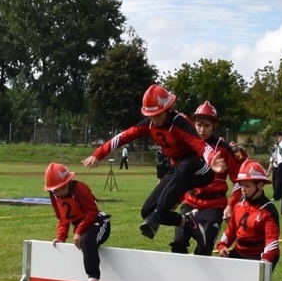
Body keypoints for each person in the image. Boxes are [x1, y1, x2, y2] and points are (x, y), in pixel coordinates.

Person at [80, 83, 212, 240]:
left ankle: (158, 215)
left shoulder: (179, 122)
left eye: (158, 115)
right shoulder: (148, 125)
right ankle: (189, 222)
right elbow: (123, 137)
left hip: (200, 169)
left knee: (184, 167)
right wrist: (98, 154)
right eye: (151, 115)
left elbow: (200, 145)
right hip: (178, 170)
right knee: (147, 211)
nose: (154, 119)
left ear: (167, 109)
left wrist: (212, 159)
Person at [169, 101, 242, 256]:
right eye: (199, 125)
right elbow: (182, 178)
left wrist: (230, 205)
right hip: (191, 201)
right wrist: (174, 200)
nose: (202, 130)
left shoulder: (224, 149)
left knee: (204, 247)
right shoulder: (187, 146)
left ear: (214, 126)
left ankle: (199, 280)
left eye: (207, 125)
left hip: (214, 205)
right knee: (178, 243)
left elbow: (238, 181)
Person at [45, 162, 111, 281]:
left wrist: (79, 231)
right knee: (85, 241)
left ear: (68, 182)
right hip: (83, 229)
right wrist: (61, 237)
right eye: (56, 189)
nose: (59, 192)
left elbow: (92, 212)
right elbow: (63, 218)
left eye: (62, 187)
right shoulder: (54, 196)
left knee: (87, 240)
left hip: (99, 222)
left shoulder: (80, 188)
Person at [215, 160, 281, 264]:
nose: (243, 190)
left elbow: (272, 240)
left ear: (260, 185)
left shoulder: (268, 210)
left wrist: (265, 259)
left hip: (260, 255)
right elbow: (231, 230)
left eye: (247, 186)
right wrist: (222, 245)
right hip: (239, 253)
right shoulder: (238, 206)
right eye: (242, 185)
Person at [269, 132, 282, 204]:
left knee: (279, 180)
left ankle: (277, 196)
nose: (277, 140)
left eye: (278, 138)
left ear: (281, 137)